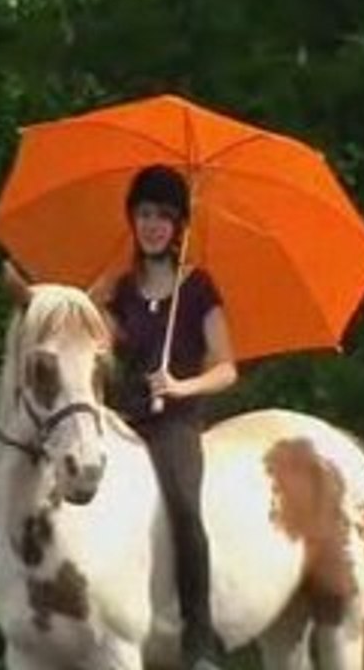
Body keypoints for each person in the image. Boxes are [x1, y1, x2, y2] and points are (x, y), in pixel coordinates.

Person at [95, 164, 237, 670]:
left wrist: (181, 386)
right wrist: (89, 307)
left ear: (179, 226)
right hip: (122, 419)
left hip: (174, 422)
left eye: (164, 216)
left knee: (183, 505)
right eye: (144, 213)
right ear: (132, 219)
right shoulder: (118, 288)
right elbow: (92, 348)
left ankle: (199, 638)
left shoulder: (198, 287)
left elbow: (226, 369)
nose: (153, 224)